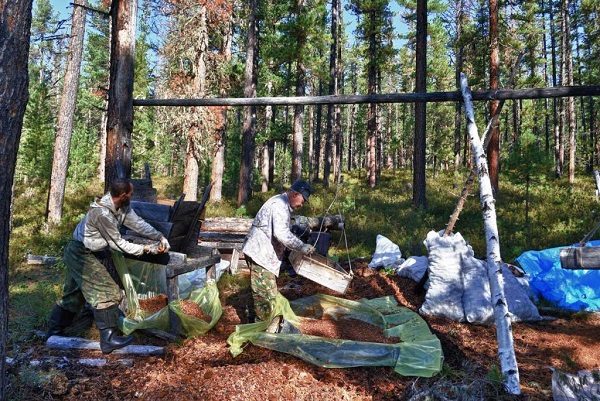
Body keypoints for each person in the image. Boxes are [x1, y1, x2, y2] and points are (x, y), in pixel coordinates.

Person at [46, 179, 171, 353]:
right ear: (122, 195)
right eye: (131, 193)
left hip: (85, 251)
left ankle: (53, 332)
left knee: (74, 295)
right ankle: (109, 339)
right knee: (107, 292)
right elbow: (118, 244)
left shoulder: (122, 206)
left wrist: (159, 236)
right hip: (81, 252)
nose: (132, 196)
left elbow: (138, 223)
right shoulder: (102, 214)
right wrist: (146, 249)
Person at [242, 179, 316, 331]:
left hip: (263, 254)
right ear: (295, 194)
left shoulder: (281, 203)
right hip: (260, 254)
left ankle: (258, 321)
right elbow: (281, 233)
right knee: (265, 296)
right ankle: (261, 331)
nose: (301, 205)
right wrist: (301, 246)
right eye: (302, 201)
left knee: (266, 292)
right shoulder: (279, 206)